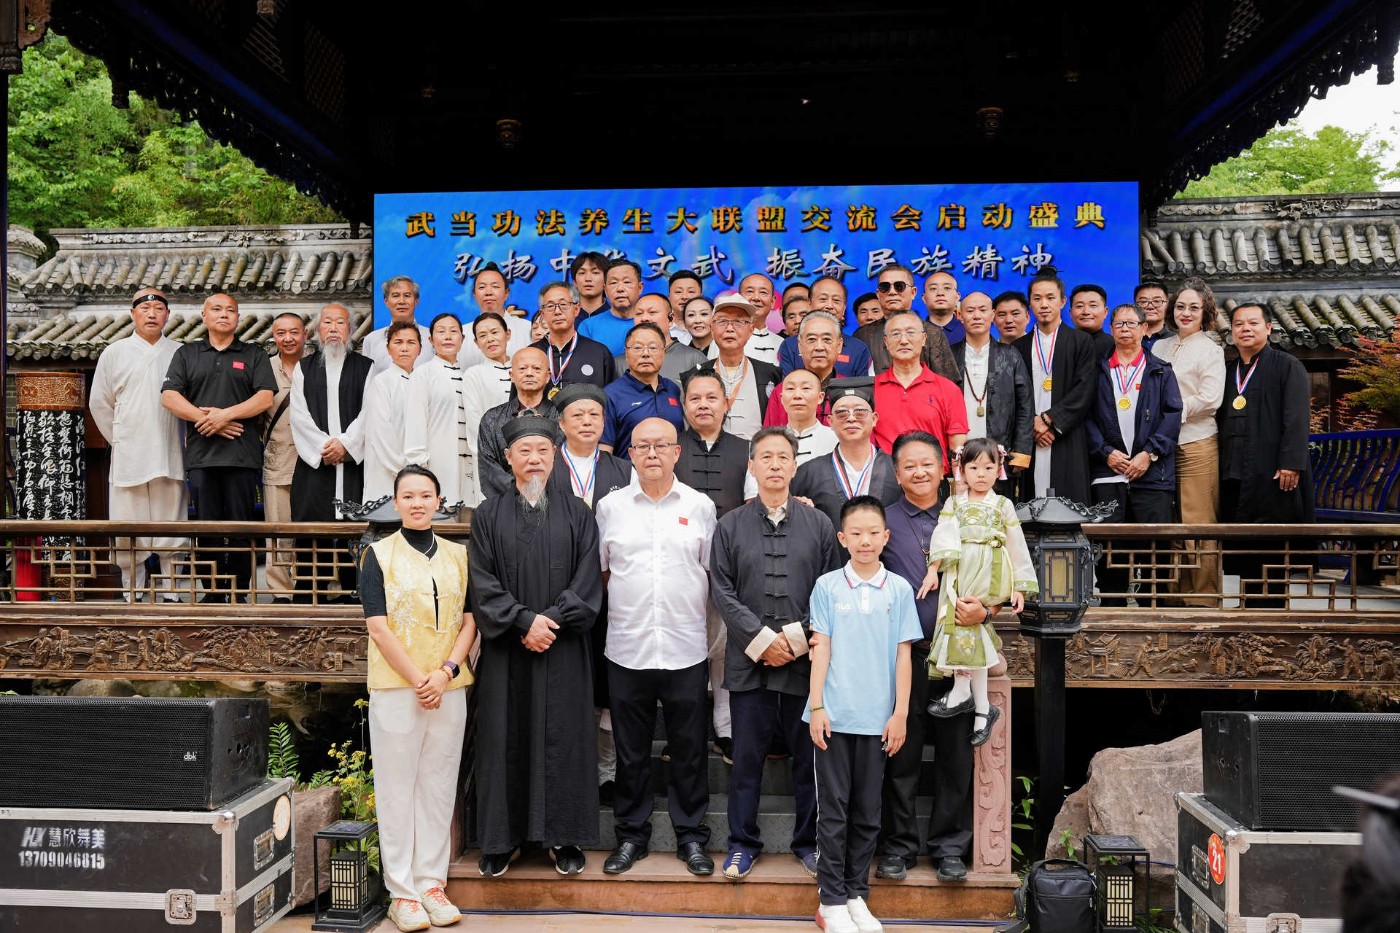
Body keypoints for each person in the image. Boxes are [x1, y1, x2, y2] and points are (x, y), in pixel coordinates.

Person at [471, 415, 603, 878]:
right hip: (508, 648)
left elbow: (588, 580)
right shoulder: (487, 515)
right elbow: (482, 583)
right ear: (508, 458)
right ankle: (500, 840)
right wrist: (523, 621)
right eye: (524, 451)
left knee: (563, 738)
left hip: (563, 648)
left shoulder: (579, 513)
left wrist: (552, 620)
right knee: (503, 739)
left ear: (554, 457)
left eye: (542, 451)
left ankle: (563, 838)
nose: (533, 460)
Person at [710, 427, 840, 880]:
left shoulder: (819, 525)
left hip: (805, 667)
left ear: (795, 465)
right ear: (752, 465)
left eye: (783, 456)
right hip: (749, 665)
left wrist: (795, 641)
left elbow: (829, 589)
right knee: (746, 762)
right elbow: (722, 591)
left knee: (809, 762)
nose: (775, 464)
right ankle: (742, 843)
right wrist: (763, 642)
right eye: (765, 457)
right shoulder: (729, 525)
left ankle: (809, 843)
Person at [597, 418, 718, 878]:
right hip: (627, 647)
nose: (651, 453)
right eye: (642, 446)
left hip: (686, 645)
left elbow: (710, 573)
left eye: (661, 445)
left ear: (676, 452)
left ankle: (691, 837)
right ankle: (631, 836)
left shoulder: (700, 506)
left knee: (689, 748)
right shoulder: (610, 507)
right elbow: (603, 573)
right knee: (631, 750)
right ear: (629, 453)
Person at [360, 464, 474, 933]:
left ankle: (431, 884)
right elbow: (377, 626)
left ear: (439, 501)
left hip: (449, 686)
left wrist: (445, 673)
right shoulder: (377, 554)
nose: (417, 503)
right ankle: (402, 893)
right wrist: (418, 680)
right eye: (408, 496)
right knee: (396, 787)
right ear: (395, 503)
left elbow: (470, 621)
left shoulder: (459, 555)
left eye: (426, 495)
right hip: (396, 687)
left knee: (438, 785)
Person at [806, 496, 921, 933]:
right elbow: (821, 649)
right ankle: (830, 900)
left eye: (873, 533)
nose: (865, 541)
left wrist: (900, 713)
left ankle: (856, 894)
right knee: (833, 811)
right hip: (834, 717)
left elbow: (904, 655)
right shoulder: (827, 587)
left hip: (879, 720)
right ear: (842, 538)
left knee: (869, 812)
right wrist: (817, 706)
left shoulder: (899, 589)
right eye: (856, 533)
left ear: (886, 537)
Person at [875, 432, 977, 884]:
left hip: (959, 656)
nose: (919, 472)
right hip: (905, 657)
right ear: (897, 474)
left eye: (927, 464)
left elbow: (995, 573)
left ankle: (950, 848)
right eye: (909, 466)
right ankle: (898, 846)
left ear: (942, 468)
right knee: (902, 754)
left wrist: (987, 609)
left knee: (956, 756)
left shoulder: (967, 514)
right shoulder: (883, 522)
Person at [918, 439, 1037, 746]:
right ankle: (981, 707)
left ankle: (964, 693)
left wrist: (1020, 586)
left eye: (988, 467)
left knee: (970, 627)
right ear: (962, 470)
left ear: (999, 469)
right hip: (960, 573)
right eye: (973, 467)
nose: (981, 474)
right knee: (966, 630)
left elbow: (1017, 545)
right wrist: (933, 570)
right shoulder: (954, 503)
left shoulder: (1003, 505)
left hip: (989, 572)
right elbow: (943, 537)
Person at [547, 383, 632, 809]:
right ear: (561, 424)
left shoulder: (624, 471)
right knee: (565, 686)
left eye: (594, 415)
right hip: (558, 594)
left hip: (612, 595)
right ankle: (566, 772)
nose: (586, 422)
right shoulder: (545, 466)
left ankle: (606, 772)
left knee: (607, 688)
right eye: (577, 415)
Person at [161, 292, 276, 601]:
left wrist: (225, 415)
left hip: (242, 457)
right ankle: (212, 591)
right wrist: (206, 419)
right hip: (202, 457)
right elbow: (169, 396)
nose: (224, 314)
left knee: (241, 526)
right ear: (204, 315)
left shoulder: (254, 354)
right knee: (206, 527)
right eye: (216, 309)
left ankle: (238, 590)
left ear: (238, 318)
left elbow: (265, 397)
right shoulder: (187, 353)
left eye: (230, 310)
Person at [91, 287, 188, 601]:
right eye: (144, 309)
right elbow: (99, 403)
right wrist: (120, 440)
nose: (151, 314)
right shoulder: (114, 352)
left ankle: (172, 590)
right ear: (133, 314)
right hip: (129, 452)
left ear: (167, 315)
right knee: (127, 525)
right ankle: (131, 589)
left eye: (158, 309)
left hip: (169, 449)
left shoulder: (181, 352)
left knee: (171, 523)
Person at [675, 369, 750, 767]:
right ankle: (683, 730)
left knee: (724, 647)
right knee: (684, 645)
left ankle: (725, 727)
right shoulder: (669, 447)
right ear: (684, 405)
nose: (703, 405)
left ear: (726, 403)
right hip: (678, 565)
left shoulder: (747, 449)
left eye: (711, 398)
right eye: (695, 398)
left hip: (731, 565)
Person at [1085, 304, 1182, 605]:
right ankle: (1113, 614)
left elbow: (1173, 414)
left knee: (1155, 549)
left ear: (1144, 328)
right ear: (1111, 329)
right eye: (1119, 324)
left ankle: (1156, 614)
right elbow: (1086, 417)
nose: (1125, 328)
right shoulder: (1098, 370)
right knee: (1110, 551)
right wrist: (1105, 452)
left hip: (1152, 475)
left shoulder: (1161, 370)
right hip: (1108, 473)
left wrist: (1149, 454)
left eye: (1131, 323)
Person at [1219, 303, 1314, 606]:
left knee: (1271, 536)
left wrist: (1291, 463)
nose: (1245, 329)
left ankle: (1271, 606)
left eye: (1253, 323)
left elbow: (1297, 418)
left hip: (1273, 468)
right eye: (1238, 324)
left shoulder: (1286, 365)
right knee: (1243, 538)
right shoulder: (1228, 371)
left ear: (1268, 328)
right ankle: (1248, 601)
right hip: (1235, 469)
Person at [289, 303, 374, 597]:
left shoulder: (366, 367)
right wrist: (325, 447)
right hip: (316, 465)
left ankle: (355, 594)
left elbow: (369, 413)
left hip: (353, 465)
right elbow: (299, 415)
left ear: (350, 330)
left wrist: (346, 445)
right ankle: (311, 593)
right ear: (317, 330)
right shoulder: (304, 368)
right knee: (313, 530)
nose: (334, 328)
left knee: (356, 529)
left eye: (340, 322)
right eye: (327, 322)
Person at [1153, 278, 1225, 604]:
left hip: (1196, 441)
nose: (1186, 313)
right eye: (1180, 306)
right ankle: (1173, 596)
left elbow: (1210, 399)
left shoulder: (1211, 349)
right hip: (1161, 445)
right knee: (1170, 521)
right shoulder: (1159, 347)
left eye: (1194, 307)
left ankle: (1203, 599)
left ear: (1205, 312)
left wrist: (1171, 413)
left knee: (1198, 521)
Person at [1014, 268, 1098, 505]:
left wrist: (1049, 420)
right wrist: (1032, 424)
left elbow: (1084, 389)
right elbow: (1013, 395)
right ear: (1030, 303)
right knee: (1030, 504)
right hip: (1030, 436)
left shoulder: (1081, 342)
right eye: (1037, 298)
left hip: (1066, 435)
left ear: (1062, 301)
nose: (1044, 304)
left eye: (1050, 298)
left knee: (1068, 504)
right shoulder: (1019, 346)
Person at [792, 378, 901, 543]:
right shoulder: (809, 472)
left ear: (874, 419)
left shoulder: (896, 469)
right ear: (830, 421)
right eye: (842, 413)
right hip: (829, 558)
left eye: (860, 412)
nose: (851, 418)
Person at [952, 292, 1034, 496]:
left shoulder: (1010, 354)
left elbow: (1025, 405)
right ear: (959, 315)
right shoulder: (950, 355)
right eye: (970, 311)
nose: (976, 316)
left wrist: (1021, 451)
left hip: (1000, 451)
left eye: (982, 310)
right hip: (959, 451)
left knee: (999, 508)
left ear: (992, 315)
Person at [871, 311, 967, 468]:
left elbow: (958, 447)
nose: (903, 340)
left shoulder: (948, 389)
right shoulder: (871, 389)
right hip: (886, 477)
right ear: (886, 342)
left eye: (910, 333)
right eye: (896, 334)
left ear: (923, 339)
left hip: (933, 477)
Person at [403, 313, 474, 511]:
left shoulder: (468, 376)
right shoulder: (423, 374)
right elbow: (416, 422)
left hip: (468, 470)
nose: (448, 336)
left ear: (463, 339)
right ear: (431, 339)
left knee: (468, 523)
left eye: (454, 331)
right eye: (441, 332)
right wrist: (419, 468)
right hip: (437, 468)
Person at [261, 311, 306, 601]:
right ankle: (280, 591)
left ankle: (310, 585)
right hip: (277, 459)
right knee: (278, 528)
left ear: (305, 334)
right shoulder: (263, 369)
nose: (288, 338)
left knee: (312, 529)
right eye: (281, 333)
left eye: (294, 332)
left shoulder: (317, 367)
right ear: (274, 336)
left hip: (314, 463)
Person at [477, 347, 561, 499]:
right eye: (522, 368)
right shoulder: (492, 418)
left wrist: (542, 496)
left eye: (536, 368)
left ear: (547, 376)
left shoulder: (562, 417)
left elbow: (564, 463)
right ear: (512, 375)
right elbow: (489, 469)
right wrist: (521, 495)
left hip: (554, 501)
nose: (529, 373)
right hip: (505, 503)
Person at [695, 296, 781, 440]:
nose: (730, 329)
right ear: (712, 329)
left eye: (739, 322)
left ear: (751, 330)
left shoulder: (771, 374)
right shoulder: (696, 375)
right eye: (722, 321)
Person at [853, 267, 960, 379]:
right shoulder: (863, 335)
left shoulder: (932, 333)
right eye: (885, 287)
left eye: (899, 286)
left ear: (913, 292)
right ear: (878, 294)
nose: (892, 292)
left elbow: (948, 383)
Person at [601, 323, 683, 456]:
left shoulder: (672, 389)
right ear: (626, 353)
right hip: (628, 469)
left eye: (653, 348)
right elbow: (604, 451)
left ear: (664, 353)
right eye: (638, 348)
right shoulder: (611, 395)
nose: (645, 354)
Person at [361, 321, 421, 503]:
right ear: (388, 348)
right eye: (398, 342)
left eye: (411, 342)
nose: (404, 348)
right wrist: (404, 469)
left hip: (419, 473)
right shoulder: (381, 383)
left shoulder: (423, 382)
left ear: (420, 349)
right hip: (387, 471)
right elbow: (380, 432)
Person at [461, 313, 518, 502]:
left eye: (495, 332)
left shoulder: (522, 368)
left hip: (526, 456)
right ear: (476, 343)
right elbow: (475, 421)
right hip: (491, 461)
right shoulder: (474, 375)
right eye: (483, 335)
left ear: (507, 334)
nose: (490, 339)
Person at [780, 277, 874, 378]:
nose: (829, 305)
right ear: (809, 304)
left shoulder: (859, 349)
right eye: (823, 299)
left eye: (836, 300)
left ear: (844, 307)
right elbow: (787, 385)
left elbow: (863, 386)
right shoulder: (789, 345)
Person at [533, 281, 615, 392]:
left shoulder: (599, 353)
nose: (557, 311)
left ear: (576, 309)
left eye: (563, 304)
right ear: (542, 314)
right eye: (550, 306)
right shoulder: (531, 353)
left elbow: (611, 397)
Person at [619, 292, 708, 382]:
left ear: (671, 319)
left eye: (652, 312)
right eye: (639, 313)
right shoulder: (620, 363)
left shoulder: (693, 358)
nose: (644, 318)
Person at [461, 264, 533, 365]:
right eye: (482, 287)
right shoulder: (462, 333)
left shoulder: (527, 329)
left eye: (495, 286)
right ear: (474, 294)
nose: (488, 292)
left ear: (506, 293)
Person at [362, 276, 434, 373]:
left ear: (416, 301)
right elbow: (367, 378)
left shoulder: (432, 338)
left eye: (407, 295)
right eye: (396, 296)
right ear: (386, 301)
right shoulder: (371, 340)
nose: (401, 301)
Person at [580, 259, 643, 355]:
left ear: (640, 288)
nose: (620, 289)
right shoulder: (588, 326)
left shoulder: (652, 321)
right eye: (613, 283)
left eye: (627, 282)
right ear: (605, 290)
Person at [779, 368, 838, 464]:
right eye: (790, 388)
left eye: (805, 388)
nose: (797, 395)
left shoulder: (837, 439)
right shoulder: (769, 441)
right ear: (781, 398)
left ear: (820, 397)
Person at [739, 273, 783, 365]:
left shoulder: (782, 343)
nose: (756, 298)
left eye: (763, 292)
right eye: (750, 291)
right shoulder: (724, 339)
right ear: (738, 298)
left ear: (772, 301)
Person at [921, 270, 967, 344]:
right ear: (924, 298)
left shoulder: (969, 331)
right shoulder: (916, 332)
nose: (940, 293)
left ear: (957, 297)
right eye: (933, 288)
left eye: (947, 288)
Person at [1070, 284, 1115, 360]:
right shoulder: (1060, 343)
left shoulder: (1113, 345)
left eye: (1093, 305)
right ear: (1070, 313)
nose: (1086, 312)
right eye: (1079, 306)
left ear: (1105, 312)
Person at [1135, 281, 1175, 349]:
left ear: (1167, 305)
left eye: (1157, 301)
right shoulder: (1126, 339)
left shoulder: (1176, 340)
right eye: (1143, 302)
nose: (1150, 307)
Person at [571, 251, 611, 317]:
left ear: (606, 280)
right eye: (582, 273)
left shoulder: (616, 315)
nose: (588, 279)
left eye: (595, 273)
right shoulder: (566, 316)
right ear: (575, 282)